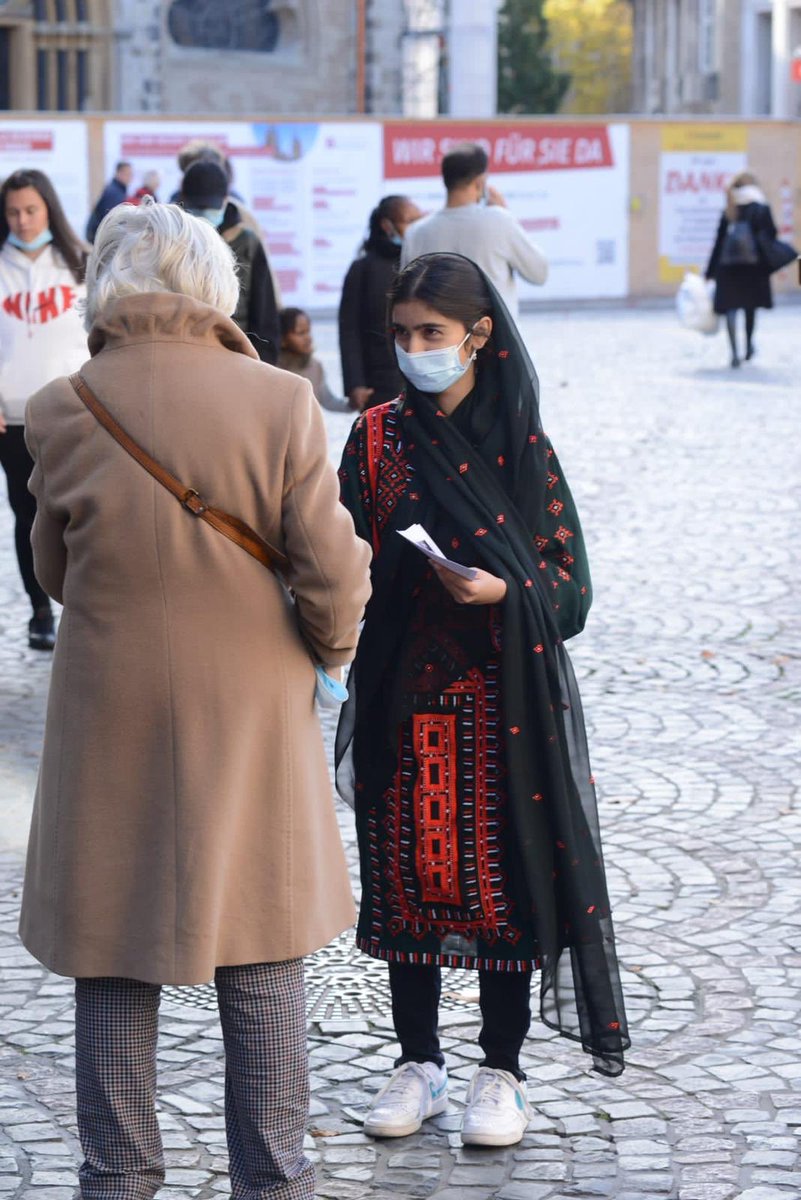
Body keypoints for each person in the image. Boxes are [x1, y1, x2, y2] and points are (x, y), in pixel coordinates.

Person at [18, 198, 372, 1199]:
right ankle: (273, 1178)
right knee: (261, 946)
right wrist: (323, 652)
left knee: (113, 955)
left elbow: (53, 570)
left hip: (108, 713)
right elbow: (335, 576)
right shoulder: (280, 401)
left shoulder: (62, 407)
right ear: (214, 286)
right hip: (254, 709)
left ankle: (119, 1178)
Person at [336, 253, 628, 1148]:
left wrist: (504, 594)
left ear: (478, 336)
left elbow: (570, 589)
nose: (416, 350)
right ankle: (417, 1062)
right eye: (402, 335)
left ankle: (500, 1069)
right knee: (404, 883)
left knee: (505, 890)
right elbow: (338, 553)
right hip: (400, 698)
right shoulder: (377, 438)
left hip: (501, 709)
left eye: (432, 334)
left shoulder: (522, 444)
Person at [0, 168, 87, 651]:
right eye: (13, 212)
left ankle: (81, 602)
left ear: (49, 208)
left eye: (31, 210)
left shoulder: (79, 261)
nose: (23, 220)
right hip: (12, 417)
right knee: (26, 514)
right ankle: (38, 612)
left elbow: (101, 337)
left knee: (80, 511)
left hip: (73, 413)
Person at [400, 143, 548, 319]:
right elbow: (539, 273)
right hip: (494, 338)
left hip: (439, 340)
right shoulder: (499, 220)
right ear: (480, 182)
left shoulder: (416, 232)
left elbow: (406, 294)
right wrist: (505, 213)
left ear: (445, 180)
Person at [182, 160, 281, 364]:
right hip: (186, 356)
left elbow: (264, 313)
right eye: (197, 208)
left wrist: (263, 365)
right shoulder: (172, 240)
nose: (203, 215)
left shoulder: (247, 242)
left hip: (238, 357)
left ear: (226, 201)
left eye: (210, 208)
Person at [339, 194, 423, 412]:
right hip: (380, 384)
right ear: (387, 225)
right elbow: (349, 331)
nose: (417, 227)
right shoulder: (362, 269)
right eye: (410, 222)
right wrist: (355, 383)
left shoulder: (424, 263)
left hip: (423, 378)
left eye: (420, 220)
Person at [705, 171, 776, 368]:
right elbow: (770, 235)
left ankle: (734, 352)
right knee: (749, 308)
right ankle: (748, 346)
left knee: (731, 308)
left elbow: (718, 243)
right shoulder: (760, 208)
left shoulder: (730, 209)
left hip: (728, 268)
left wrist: (709, 272)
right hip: (751, 267)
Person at [279, 306, 350, 412]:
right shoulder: (273, 368)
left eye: (308, 331)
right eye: (301, 333)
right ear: (282, 339)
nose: (308, 338)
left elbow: (328, 400)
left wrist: (352, 404)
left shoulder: (315, 366)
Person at [85, 160, 132, 243]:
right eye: (127, 174)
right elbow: (112, 219)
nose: (130, 178)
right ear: (119, 173)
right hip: (100, 237)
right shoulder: (114, 192)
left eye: (130, 175)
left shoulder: (117, 190)